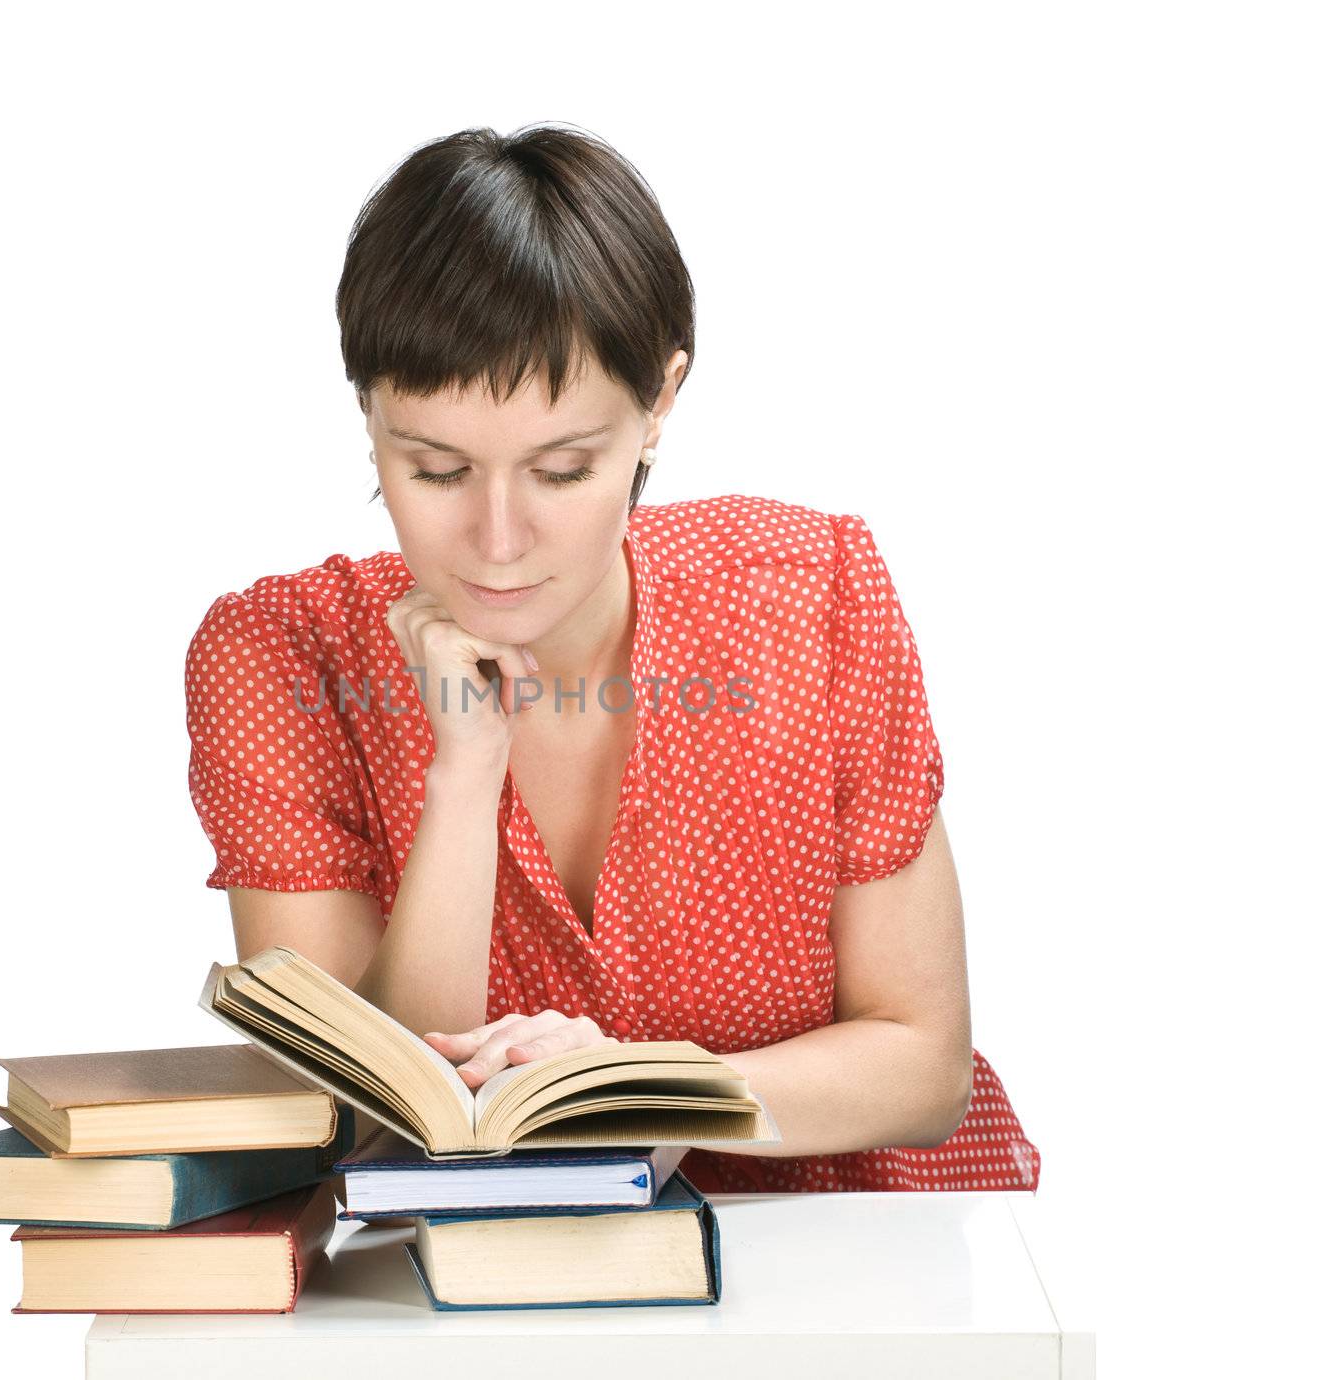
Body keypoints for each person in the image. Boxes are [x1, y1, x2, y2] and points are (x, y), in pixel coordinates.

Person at [185, 123, 1040, 1192]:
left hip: (857, 1257)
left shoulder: (808, 593)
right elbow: (368, 1118)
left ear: (659, 405)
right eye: (437, 470)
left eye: (563, 468)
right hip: (499, 1301)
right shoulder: (278, 660)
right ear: (369, 414)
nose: (498, 541)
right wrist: (464, 772)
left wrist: (652, 1090)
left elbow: (923, 1065)